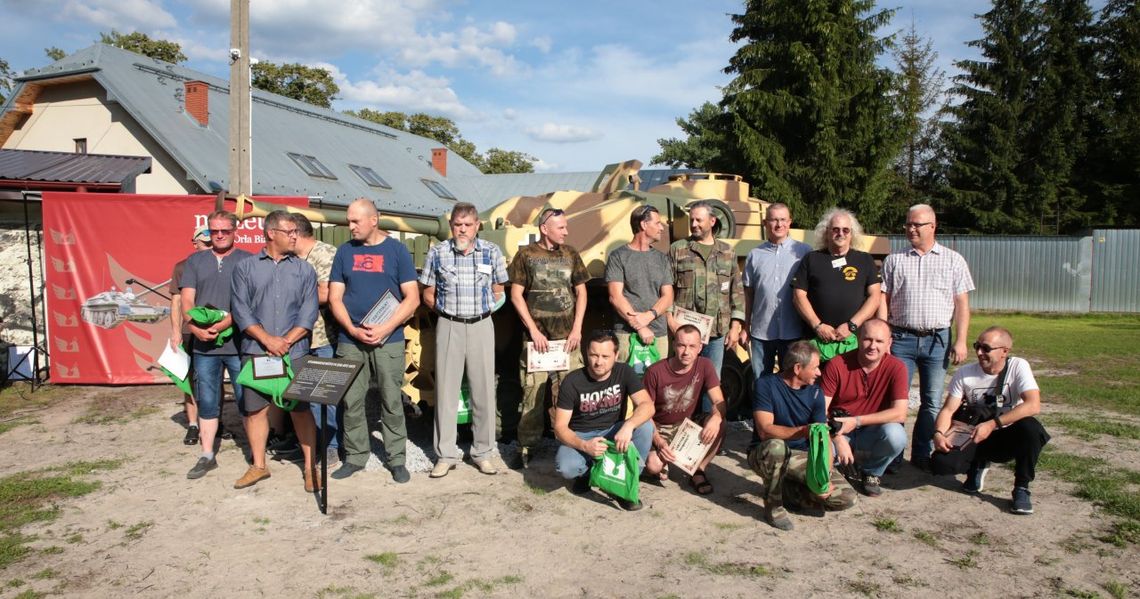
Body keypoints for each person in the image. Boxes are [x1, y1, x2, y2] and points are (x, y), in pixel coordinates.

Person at [328, 199, 420, 482]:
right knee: (351, 401)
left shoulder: (397, 252)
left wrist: (385, 328)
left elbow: (412, 298)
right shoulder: (344, 252)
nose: (350, 226)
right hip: (351, 340)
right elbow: (335, 298)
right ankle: (355, 457)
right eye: (349, 220)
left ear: (373, 220)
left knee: (392, 401)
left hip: (388, 340)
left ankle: (396, 459)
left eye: (355, 221)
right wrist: (353, 330)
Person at [879, 203, 975, 471]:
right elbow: (883, 300)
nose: (911, 229)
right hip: (901, 338)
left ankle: (922, 453)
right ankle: (893, 455)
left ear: (933, 226)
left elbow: (962, 304)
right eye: (908, 224)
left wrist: (961, 340)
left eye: (917, 224)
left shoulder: (953, 260)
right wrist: (884, 336)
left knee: (931, 401)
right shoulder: (895, 260)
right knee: (896, 400)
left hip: (938, 340)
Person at [230, 211, 320, 490]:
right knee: (255, 410)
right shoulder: (245, 268)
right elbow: (241, 310)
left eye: (296, 232)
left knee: (301, 410)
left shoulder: (305, 269)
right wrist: (268, 340)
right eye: (290, 231)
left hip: (295, 353)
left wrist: (286, 341)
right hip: (258, 351)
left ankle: (309, 469)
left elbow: (309, 312)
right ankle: (259, 466)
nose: (296, 236)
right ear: (271, 234)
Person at [420, 202, 509, 478]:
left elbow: (499, 290)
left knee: (483, 390)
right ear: (451, 226)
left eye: (467, 224)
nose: (462, 229)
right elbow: (428, 293)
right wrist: (450, 313)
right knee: (446, 391)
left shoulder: (491, 252)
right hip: (449, 325)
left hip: (481, 324)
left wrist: (480, 312)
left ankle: (482, 452)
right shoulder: (438, 253)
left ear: (477, 226)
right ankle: (446, 454)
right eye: (458, 224)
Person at [932, 327, 1049, 515]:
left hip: (1006, 435)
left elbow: (1033, 405)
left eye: (986, 348)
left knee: (1031, 429)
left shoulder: (1018, 366)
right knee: (941, 464)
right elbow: (948, 410)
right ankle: (978, 463)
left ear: (1004, 351)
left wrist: (993, 424)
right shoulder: (965, 373)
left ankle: (1021, 487)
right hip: (974, 434)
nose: (979, 352)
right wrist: (938, 434)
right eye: (977, 346)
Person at [507, 207, 589, 468]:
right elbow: (516, 295)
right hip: (537, 341)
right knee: (533, 394)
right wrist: (532, 330)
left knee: (572, 392)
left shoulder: (571, 254)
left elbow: (582, 292)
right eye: (561, 227)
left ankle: (575, 444)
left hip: (568, 340)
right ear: (545, 228)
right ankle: (527, 446)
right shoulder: (526, 255)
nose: (566, 231)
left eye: (566, 226)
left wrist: (577, 329)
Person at [749, 341, 857, 530]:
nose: (819, 373)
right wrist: (804, 431)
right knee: (777, 447)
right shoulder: (765, 385)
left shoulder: (816, 393)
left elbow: (823, 438)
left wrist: (824, 478)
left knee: (846, 497)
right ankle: (773, 507)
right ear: (798, 368)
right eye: (815, 368)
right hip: (767, 453)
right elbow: (764, 430)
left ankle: (789, 491)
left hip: (802, 455)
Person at [181, 210, 254, 480]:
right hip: (204, 345)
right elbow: (187, 299)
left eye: (225, 230)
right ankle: (207, 454)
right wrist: (194, 325)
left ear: (235, 231)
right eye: (214, 231)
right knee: (208, 399)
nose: (220, 235)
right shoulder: (195, 261)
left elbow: (248, 303)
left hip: (239, 344)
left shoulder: (247, 260)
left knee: (247, 397)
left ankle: (255, 454)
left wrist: (226, 325)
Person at [553, 329, 655, 510]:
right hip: (583, 435)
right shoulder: (572, 381)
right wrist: (585, 446)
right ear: (586, 354)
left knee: (645, 427)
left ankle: (623, 483)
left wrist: (629, 426)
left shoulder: (624, 372)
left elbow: (647, 405)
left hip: (613, 431)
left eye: (605, 356)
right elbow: (559, 427)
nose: (599, 362)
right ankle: (587, 475)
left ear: (616, 355)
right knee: (565, 467)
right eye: (594, 355)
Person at [820, 319, 908, 497]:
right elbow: (819, 410)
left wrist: (857, 421)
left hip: (871, 431)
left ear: (889, 343)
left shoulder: (897, 367)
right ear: (858, 339)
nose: (872, 346)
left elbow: (900, 413)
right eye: (867, 339)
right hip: (838, 430)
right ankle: (839, 466)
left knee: (896, 436)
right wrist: (837, 438)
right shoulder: (837, 364)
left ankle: (871, 472)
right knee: (817, 444)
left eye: (879, 341)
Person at [667, 201, 744, 389]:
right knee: (681, 379)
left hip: (717, 331)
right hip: (685, 331)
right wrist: (669, 319)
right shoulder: (678, 249)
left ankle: (709, 417)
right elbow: (666, 288)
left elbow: (737, 291)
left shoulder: (727, 252)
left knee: (712, 380)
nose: (694, 224)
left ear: (712, 221)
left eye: (699, 220)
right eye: (691, 220)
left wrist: (735, 327)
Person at [642, 324, 726, 495]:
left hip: (687, 425)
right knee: (653, 465)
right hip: (659, 426)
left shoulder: (705, 365)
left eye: (692, 346)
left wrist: (716, 417)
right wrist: (658, 442)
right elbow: (644, 413)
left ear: (700, 347)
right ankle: (660, 463)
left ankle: (698, 470)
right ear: (674, 345)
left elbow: (719, 400)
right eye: (681, 345)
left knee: (722, 424)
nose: (686, 351)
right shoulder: (655, 372)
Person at [792, 208, 881, 360]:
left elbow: (875, 296)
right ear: (827, 232)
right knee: (816, 383)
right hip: (817, 341)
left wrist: (852, 325)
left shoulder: (865, 260)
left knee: (852, 384)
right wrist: (817, 325)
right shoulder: (811, 259)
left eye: (846, 230)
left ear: (852, 233)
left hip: (853, 340)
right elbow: (798, 295)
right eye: (836, 229)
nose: (841, 234)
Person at [293, 213, 343, 467]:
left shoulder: (325, 254)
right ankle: (310, 443)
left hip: (322, 337)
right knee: (303, 397)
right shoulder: (291, 258)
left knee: (325, 396)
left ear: (296, 233)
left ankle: (332, 445)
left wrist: (290, 293)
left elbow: (326, 293)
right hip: (297, 338)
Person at [742, 203, 812, 381]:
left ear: (789, 222)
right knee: (761, 380)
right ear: (765, 223)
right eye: (773, 220)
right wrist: (745, 326)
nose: (778, 225)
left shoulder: (804, 252)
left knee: (792, 380)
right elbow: (748, 293)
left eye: (783, 220)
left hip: (793, 330)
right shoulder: (755, 255)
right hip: (761, 331)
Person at [606, 204, 673, 363]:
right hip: (627, 335)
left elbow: (668, 296)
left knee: (656, 384)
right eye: (657, 223)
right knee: (627, 383)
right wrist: (640, 326)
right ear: (643, 224)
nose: (661, 228)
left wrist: (649, 316)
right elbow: (615, 296)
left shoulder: (662, 259)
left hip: (658, 334)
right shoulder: (618, 257)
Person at [168, 226, 211, 446]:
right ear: (193, 243)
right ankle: (194, 424)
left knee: (213, 380)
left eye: (210, 244)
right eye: (203, 244)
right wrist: (176, 332)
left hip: (217, 331)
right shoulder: (182, 267)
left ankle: (213, 421)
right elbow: (176, 302)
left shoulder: (221, 263)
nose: (207, 248)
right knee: (190, 379)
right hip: (189, 332)